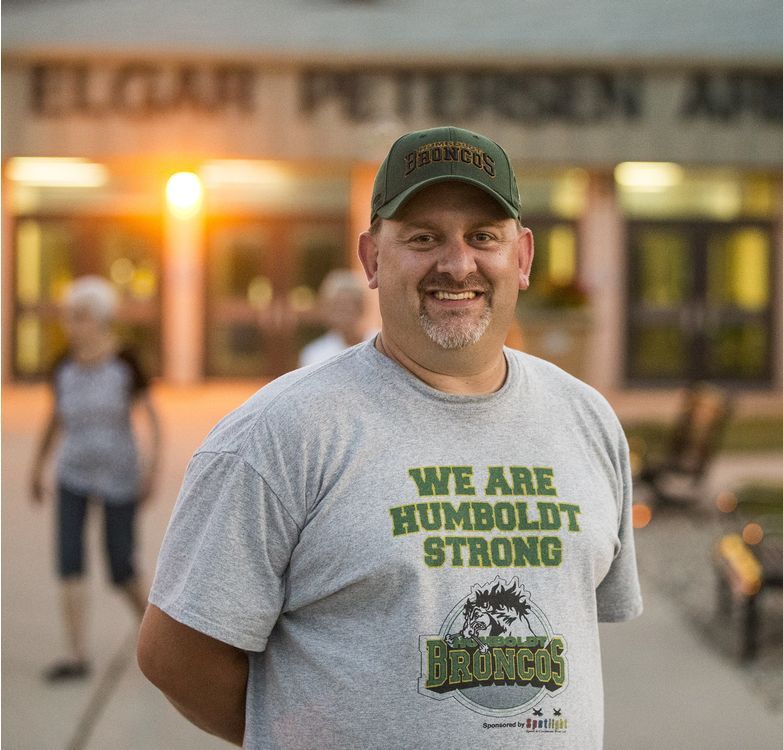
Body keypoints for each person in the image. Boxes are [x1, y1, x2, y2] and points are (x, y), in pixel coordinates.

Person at [137, 126, 642, 748]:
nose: (457, 263)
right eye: (423, 237)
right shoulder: (278, 435)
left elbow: (579, 624)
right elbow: (176, 655)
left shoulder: (586, 420)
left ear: (523, 257)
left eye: (483, 236)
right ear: (372, 258)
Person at [29, 275, 161, 682]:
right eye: (69, 316)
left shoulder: (125, 364)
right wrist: (38, 466)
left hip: (119, 475)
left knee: (121, 567)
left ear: (102, 319)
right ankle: (76, 655)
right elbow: (55, 419)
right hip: (73, 475)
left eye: (81, 316)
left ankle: (159, 644)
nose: (73, 324)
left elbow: (152, 420)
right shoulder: (63, 366)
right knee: (70, 562)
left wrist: (151, 468)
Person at [297, 269, 368, 368]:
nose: (343, 314)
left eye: (347, 306)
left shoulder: (381, 345)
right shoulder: (315, 354)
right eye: (337, 307)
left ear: (361, 308)